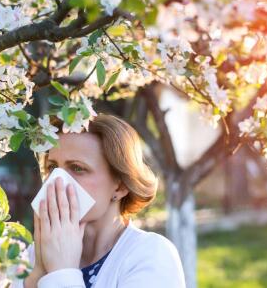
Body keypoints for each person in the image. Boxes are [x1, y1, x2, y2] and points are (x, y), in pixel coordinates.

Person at [11, 114, 186, 288]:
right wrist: (37, 276)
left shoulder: (150, 254)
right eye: (52, 167)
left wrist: (62, 271)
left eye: (78, 168)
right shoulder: (34, 255)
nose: (57, 180)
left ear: (120, 186)